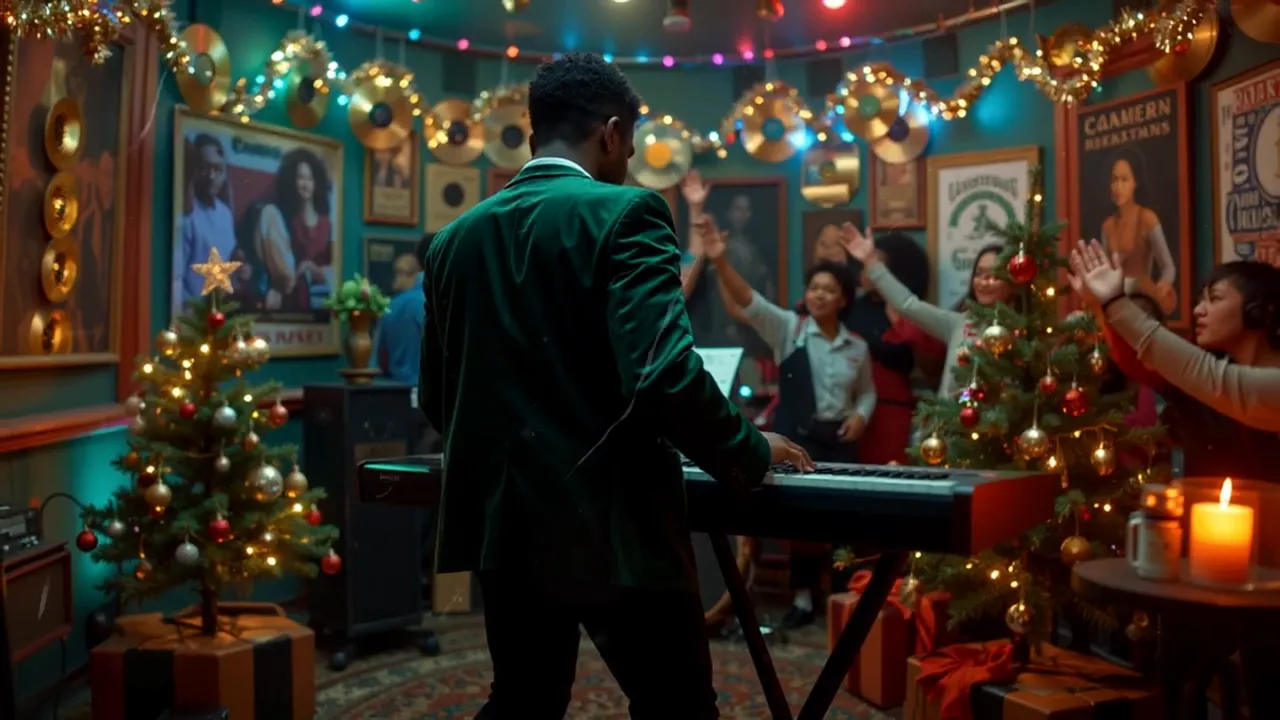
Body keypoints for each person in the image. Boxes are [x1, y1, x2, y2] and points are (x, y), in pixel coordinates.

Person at [420, 52, 813, 720]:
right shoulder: (628, 213)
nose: (628, 161)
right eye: (628, 145)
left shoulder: (453, 241)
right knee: (676, 707)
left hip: (505, 529)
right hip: (616, 531)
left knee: (522, 699)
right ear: (610, 133)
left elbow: (437, 395)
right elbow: (661, 376)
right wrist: (750, 449)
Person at [699, 216, 875, 628]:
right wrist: (721, 261)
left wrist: (861, 415)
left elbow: (867, 392)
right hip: (799, 439)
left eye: (828, 290)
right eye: (813, 288)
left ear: (843, 300)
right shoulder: (789, 329)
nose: (818, 295)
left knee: (843, 520)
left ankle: (843, 598)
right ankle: (801, 599)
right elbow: (749, 300)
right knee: (802, 521)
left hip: (841, 439)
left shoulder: (858, 347)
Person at [1069, 239, 1280, 476]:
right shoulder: (1199, 366)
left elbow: (1212, 376)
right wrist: (1100, 306)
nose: (1198, 310)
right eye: (1201, 299)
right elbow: (1140, 361)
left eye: (1215, 298)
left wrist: (1114, 303)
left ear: (1259, 312)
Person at [844, 225, 1012, 397]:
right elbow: (907, 304)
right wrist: (871, 261)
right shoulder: (959, 323)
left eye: (994, 275)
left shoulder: (1024, 331)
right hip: (951, 421)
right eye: (979, 274)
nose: (984, 282)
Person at [254, 148, 334, 311]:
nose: (305, 184)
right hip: (287, 299)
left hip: (319, 302)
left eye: (310, 179)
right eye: (300, 178)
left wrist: (311, 268)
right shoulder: (282, 218)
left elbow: (334, 269)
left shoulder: (327, 224)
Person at [1100, 147, 1177, 314]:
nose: (1118, 186)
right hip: (1115, 305)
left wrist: (1159, 293)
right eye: (1114, 180)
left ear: (1136, 182)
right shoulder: (1107, 225)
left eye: (1124, 179)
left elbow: (1168, 268)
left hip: (1142, 306)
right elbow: (1106, 272)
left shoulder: (1147, 218)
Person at [176, 134, 237, 306]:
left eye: (217, 169)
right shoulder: (186, 213)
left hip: (222, 310)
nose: (211, 176)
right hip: (191, 312)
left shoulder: (225, 213)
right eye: (204, 168)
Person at [375, 235, 428, 385]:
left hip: (393, 388)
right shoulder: (427, 302)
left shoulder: (390, 306)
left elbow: (378, 356)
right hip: (426, 389)